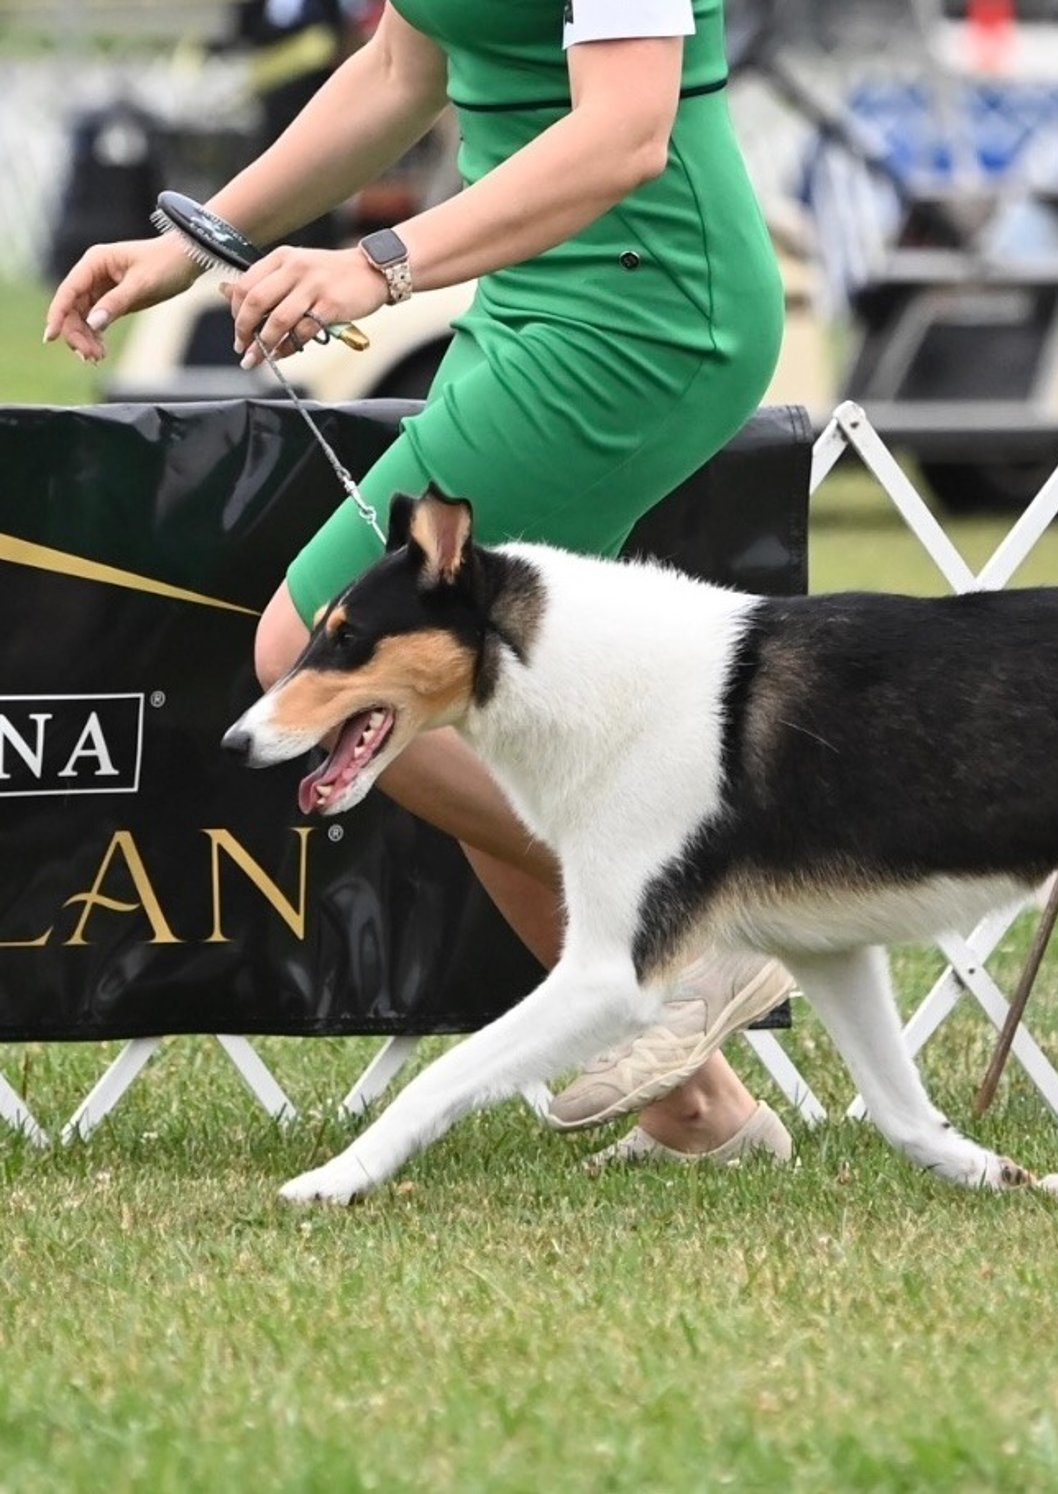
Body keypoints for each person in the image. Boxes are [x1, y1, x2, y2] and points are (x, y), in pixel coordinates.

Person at [45, 0, 797, 1171]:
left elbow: (628, 134)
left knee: (317, 652)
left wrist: (377, 263)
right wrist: (196, 241)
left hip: (649, 315)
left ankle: (678, 934)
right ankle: (697, 1112)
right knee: (467, 701)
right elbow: (400, 66)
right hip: (529, 299)